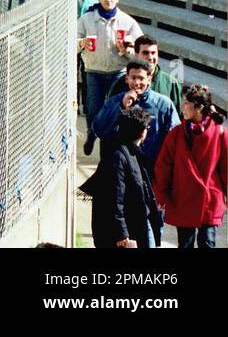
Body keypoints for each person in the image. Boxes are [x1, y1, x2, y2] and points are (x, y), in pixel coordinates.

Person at [153, 84, 227, 248]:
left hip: (209, 199)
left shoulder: (220, 133)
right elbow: (164, 166)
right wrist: (161, 194)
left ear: (199, 107)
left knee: (208, 243)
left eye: (186, 102)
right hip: (184, 195)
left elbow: (226, 168)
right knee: (185, 244)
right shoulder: (176, 134)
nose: (182, 106)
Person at [81, 105, 162, 248]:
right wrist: (122, 234)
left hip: (136, 226)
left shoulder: (131, 153)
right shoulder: (119, 157)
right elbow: (115, 198)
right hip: (121, 235)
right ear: (142, 132)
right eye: (147, 128)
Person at [78, 0, 143, 155]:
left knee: (116, 109)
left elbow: (139, 49)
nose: (109, 0)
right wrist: (81, 43)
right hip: (94, 71)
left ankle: (110, 144)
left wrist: (126, 50)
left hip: (118, 72)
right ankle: (91, 135)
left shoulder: (128, 22)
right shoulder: (86, 19)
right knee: (93, 108)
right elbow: (73, 41)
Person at [93, 59, 178, 172]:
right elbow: (99, 129)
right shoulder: (115, 101)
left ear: (149, 79)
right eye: (133, 77)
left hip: (153, 168)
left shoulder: (164, 104)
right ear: (126, 78)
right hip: (123, 167)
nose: (137, 83)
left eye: (141, 78)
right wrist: (121, 107)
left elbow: (175, 137)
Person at [105, 35, 183, 111]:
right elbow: (107, 114)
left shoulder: (170, 83)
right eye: (145, 53)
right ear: (136, 55)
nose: (150, 57)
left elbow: (178, 117)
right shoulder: (121, 83)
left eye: (153, 53)